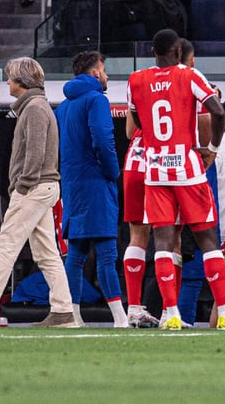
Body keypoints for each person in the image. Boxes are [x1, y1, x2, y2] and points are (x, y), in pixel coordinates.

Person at [126, 29, 225, 330]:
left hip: (155, 168)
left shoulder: (136, 80)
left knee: (162, 242)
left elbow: (137, 119)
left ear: (153, 52)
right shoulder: (189, 75)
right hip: (187, 168)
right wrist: (212, 149)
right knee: (207, 239)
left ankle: (171, 313)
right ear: (178, 52)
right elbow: (217, 111)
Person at [0, 58, 76, 327]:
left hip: (34, 188)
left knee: (5, 244)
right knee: (46, 254)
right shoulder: (37, 106)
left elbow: (35, 153)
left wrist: (22, 185)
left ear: (22, 81)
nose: (7, 82)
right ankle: (63, 311)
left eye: (10, 77)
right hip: (43, 187)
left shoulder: (34, 108)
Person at [57, 50, 129, 328]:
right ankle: (120, 319)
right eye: (105, 69)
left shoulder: (63, 106)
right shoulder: (96, 99)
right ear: (95, 73)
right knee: (107, 254)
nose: (107, 75)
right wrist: (112, 172)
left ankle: (73, 317)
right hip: (96, 184)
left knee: (75, 254)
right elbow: (102, 137)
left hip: (73, 186)